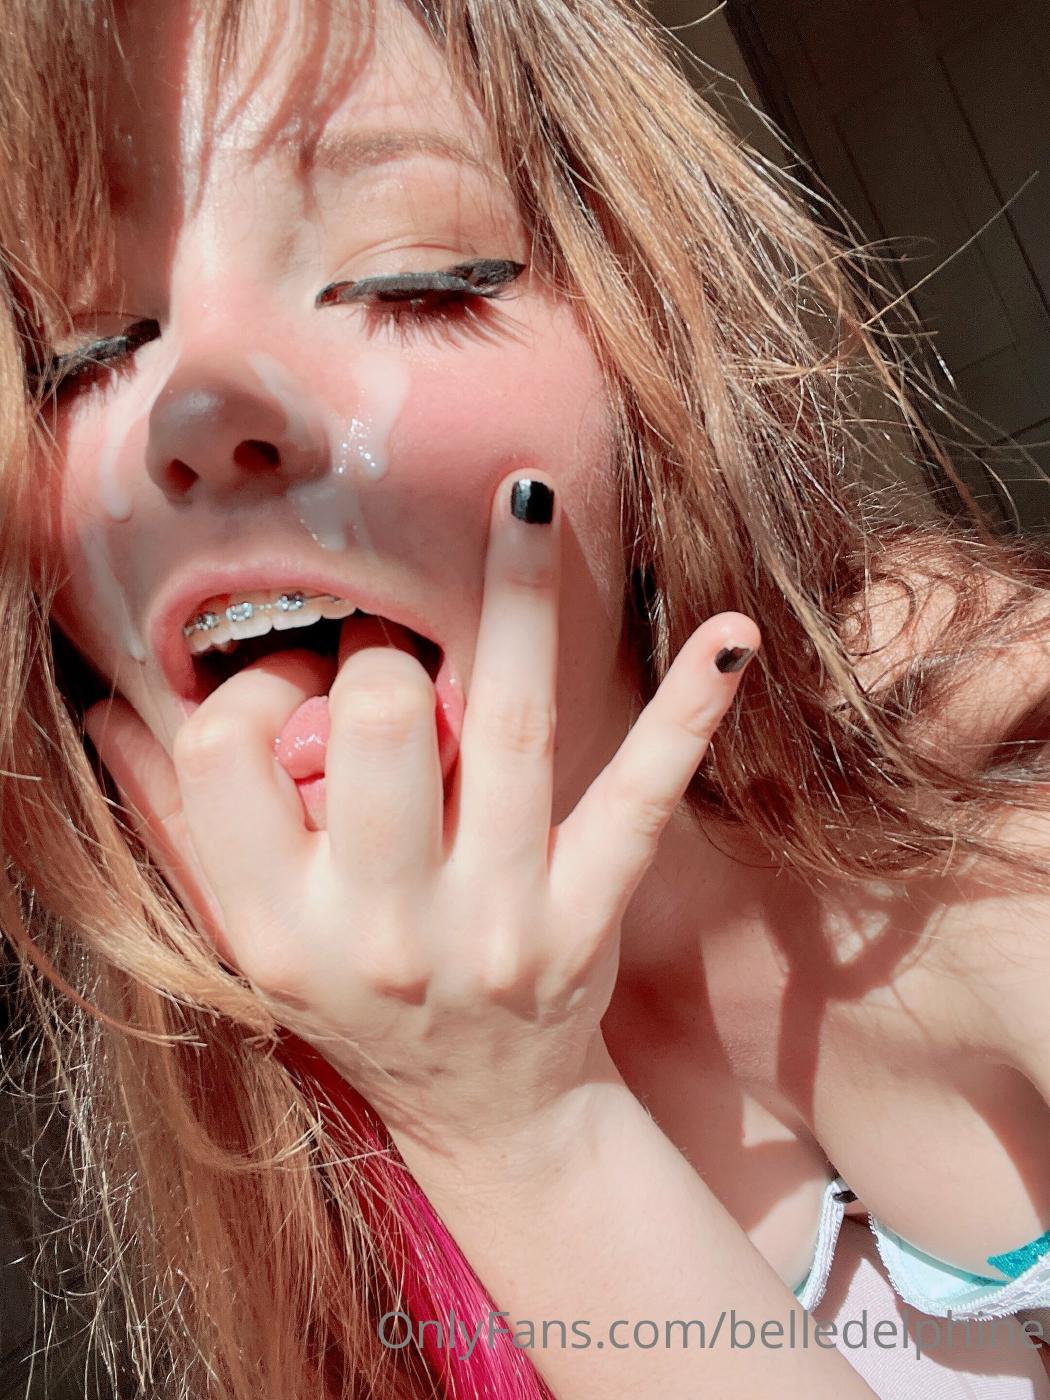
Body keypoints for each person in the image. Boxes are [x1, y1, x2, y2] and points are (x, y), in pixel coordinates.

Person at [0, 0, 1047, 1396]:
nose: (203, 406)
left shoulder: (1015, 840)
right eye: (79, 351)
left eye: (410, 277)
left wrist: (513, 1133)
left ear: (649, 353)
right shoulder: (253, 1134)